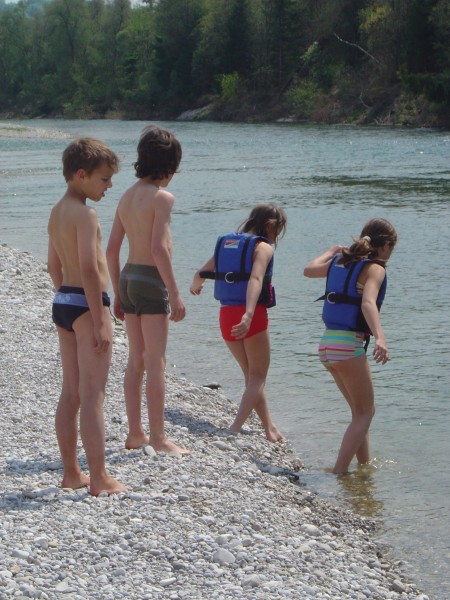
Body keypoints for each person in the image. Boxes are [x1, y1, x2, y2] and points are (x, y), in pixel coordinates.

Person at [47, 137, 126, 496]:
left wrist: (66, 296)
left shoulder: (57, 211)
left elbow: (53, 265)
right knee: (93, 393)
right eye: (104, 179)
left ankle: (70, 473)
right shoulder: (86, 214)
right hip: (85, 303)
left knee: (71, 393)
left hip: (63, 301)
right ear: (82, 175)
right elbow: (91, 270)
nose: (109, 186)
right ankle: (99, 478)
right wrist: (101, 317)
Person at [106, 124, 189, 455]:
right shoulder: (162, 197)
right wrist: (176, 292)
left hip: (127, 278)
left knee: (135, 360)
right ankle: (158, 438)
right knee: (156, 361)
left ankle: (135, 433)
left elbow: (111, 249)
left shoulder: (126, 196)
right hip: (152, 280)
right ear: (168, 168)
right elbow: (159, 249)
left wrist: (116, 292)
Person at [303, 217, 397, 474]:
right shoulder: (375, 268)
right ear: (386, 246)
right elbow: (367, 303)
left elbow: (309, 270)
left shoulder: (340, 261)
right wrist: (380, 337)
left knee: (359, 413)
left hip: (327, 345)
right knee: (366, 412)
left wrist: (331, 251)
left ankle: (364, 470)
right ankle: (339, 472)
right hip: (348, 346)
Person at [190, 204, 287, 442]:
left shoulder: (229, 245)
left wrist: (196, 284)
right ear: (270, 226)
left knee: (250, 375)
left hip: (226, 314)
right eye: (278, 231)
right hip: (250, 317)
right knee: (257, 377)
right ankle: (234, 428)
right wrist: (250, 314)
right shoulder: (262, 248)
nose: (276, 238)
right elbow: (255, 278)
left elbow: (201, 272)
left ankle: (269, 428)